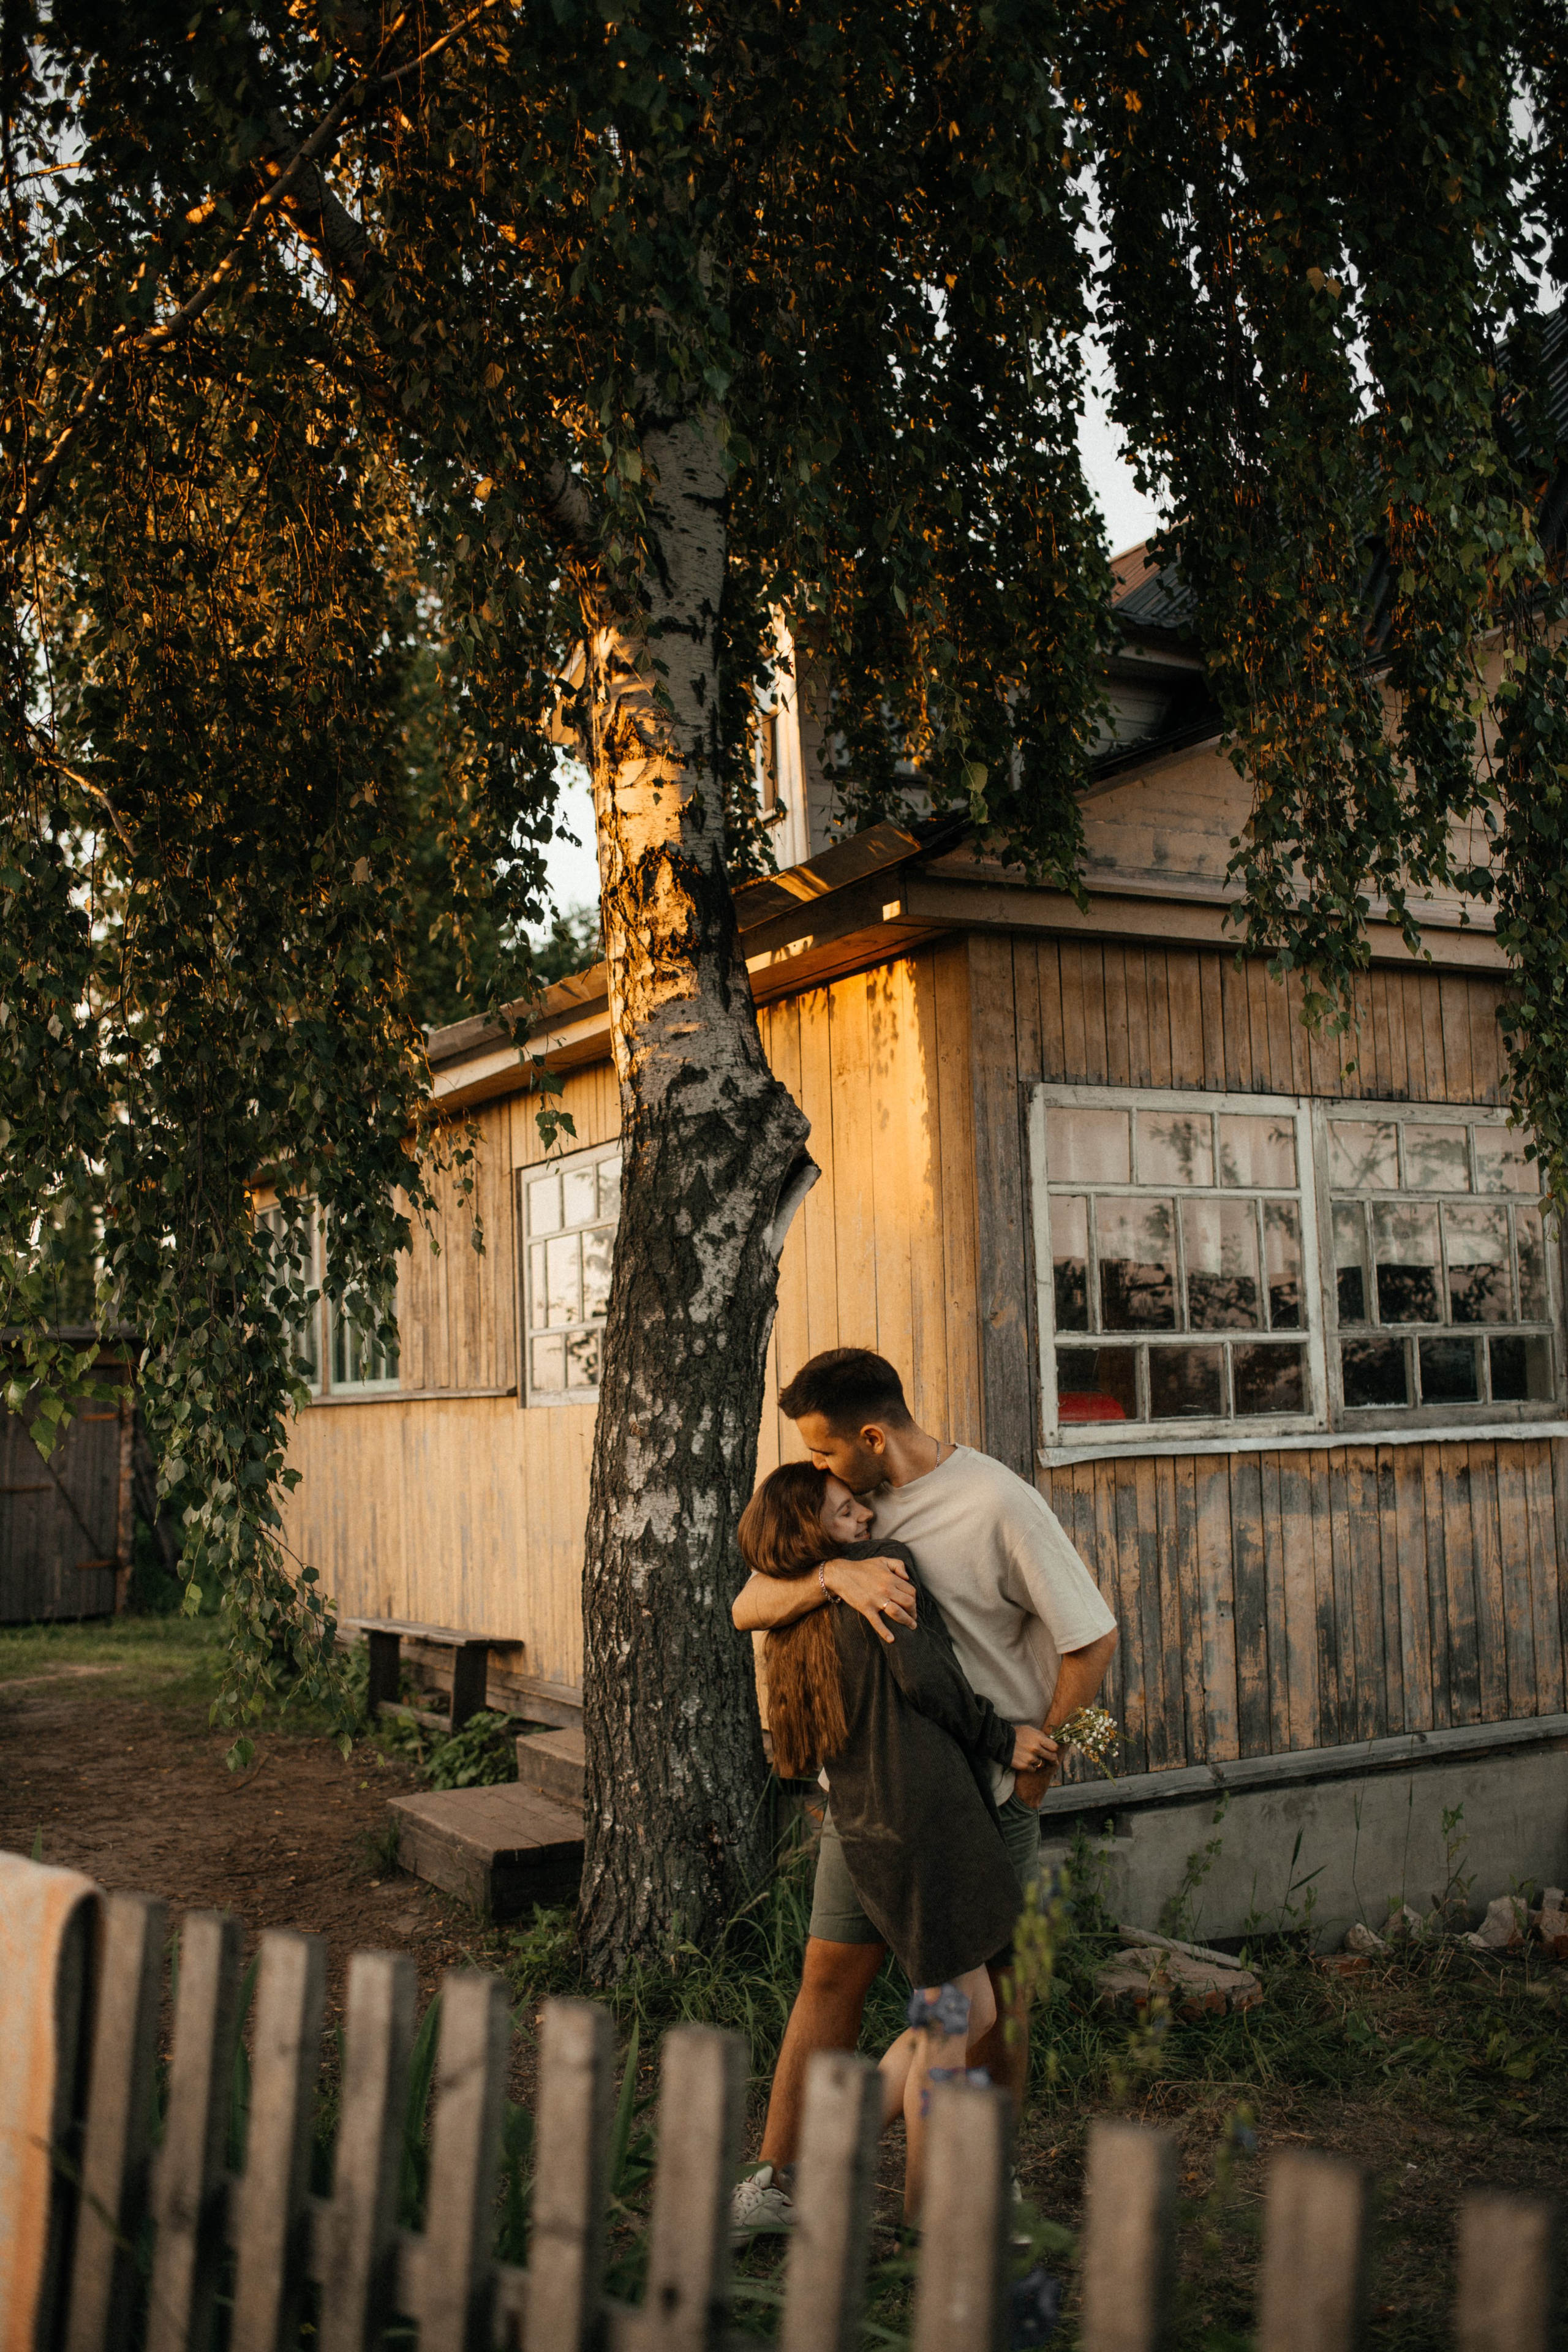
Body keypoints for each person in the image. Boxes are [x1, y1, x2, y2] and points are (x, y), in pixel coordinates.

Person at [730, 1347, 1118, 2237]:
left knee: (994, 2007)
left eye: (827, 1454)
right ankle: (778, 2184)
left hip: (977, 1793)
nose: (824, 1473)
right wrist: (831, 1574)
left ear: (872, 1437)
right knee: (828, 1975)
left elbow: (1089, 1639)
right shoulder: (847, 1515)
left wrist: (1031, 1767)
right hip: (868, 1794)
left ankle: (980, 2187)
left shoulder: (995, 1504)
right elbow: (750, 1600)